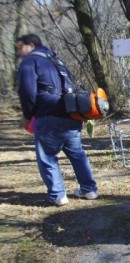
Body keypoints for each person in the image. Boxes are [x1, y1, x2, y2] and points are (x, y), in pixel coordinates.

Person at [16, 33, 98, 206]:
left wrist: (27, 115)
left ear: (30, 45)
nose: (18, 52)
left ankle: (58, 195)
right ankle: (89, 190)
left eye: (19, 47)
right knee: (77, 154)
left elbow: (27, 92)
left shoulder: (30, 62)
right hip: (71, 114)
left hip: (48, 114)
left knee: (47, 156)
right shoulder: (55, 60)